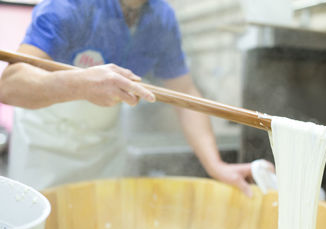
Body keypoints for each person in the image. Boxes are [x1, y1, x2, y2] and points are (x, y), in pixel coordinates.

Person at [0, 0, 273, 196]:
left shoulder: (161, 18)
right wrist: (79, 83)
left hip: (104, 148)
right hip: (44, 146)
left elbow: (185, 92)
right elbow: (10, 86)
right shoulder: (69, 7)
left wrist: (216, 165)